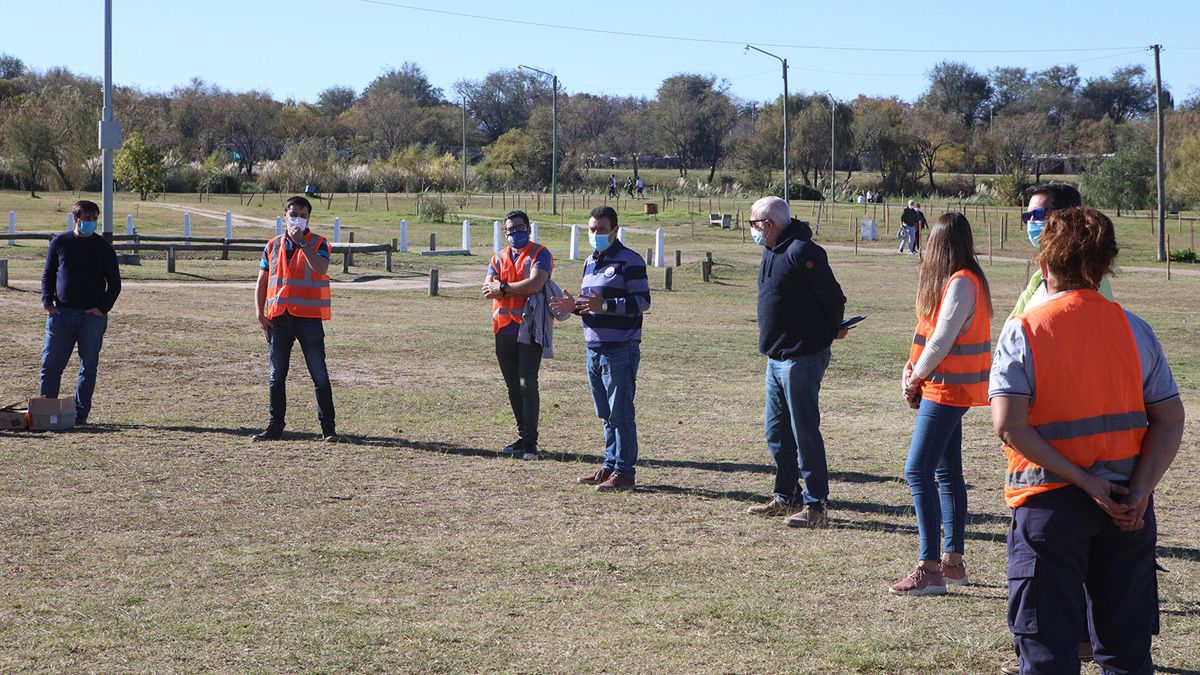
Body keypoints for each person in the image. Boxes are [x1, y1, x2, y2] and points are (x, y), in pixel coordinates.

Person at [991, 206, 1183, 674]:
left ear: (1043, 266)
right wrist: (1138, 491)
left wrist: (1082, 480)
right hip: (1126, 507)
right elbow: (1170, 419)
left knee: (1047, 654)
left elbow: (1010, 425)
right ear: (1104, 267)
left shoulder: (1025, 331)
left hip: (1048, 507)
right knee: (1126, 652)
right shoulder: (1134, 329)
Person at [889, 213, 993, 596]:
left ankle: (929, 568)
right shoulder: (959, 282)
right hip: (943, 385)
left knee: (917, 471)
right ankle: (952, 564)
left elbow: (942, 340)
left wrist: (915, 377)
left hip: (946, 389)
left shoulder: (962, 282)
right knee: (947, 474)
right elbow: (928, 336)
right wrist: (910, 370)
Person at [744, 196, 847, 528]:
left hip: (802, 358)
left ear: (769, 224)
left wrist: (829, 331)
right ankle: (785, 496)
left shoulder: (803, 252)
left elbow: (834, 298)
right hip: (776, 358)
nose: (752, 231)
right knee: (776, 431)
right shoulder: (771, 250)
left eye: (753, 224)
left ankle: (815, 504)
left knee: (804, 432)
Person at [550, 206, 651, 491]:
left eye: (602, 230)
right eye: (592, 229)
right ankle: (610, 465)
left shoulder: (629, 261)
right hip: (593, 347)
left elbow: (641, 303)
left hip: (620, 348)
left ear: (615, 230)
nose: (596, 235)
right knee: (606, 413)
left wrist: (604, 305)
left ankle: (624, 473)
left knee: (621, 412)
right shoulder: (589, 262)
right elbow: (591, 306)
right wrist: (576, 308)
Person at [252, 196, 338, 442]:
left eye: (302, 214)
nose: (297, 218)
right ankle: (275, 427)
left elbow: (321, 269)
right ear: (285, 215)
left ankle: (328, 429)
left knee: (319, 374)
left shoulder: (319, 242)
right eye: (293, 213)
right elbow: (262, 281)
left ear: (308, 217)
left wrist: (302, 244)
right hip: (279, 318)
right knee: (276, 376)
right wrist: (260, 312)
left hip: (309, 319)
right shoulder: (272, 245)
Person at [39, 199, 122, 426]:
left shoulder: (103, 247)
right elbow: (48, 275)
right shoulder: (60, 243)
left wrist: (102, 308)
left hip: (91, 318)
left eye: (94, 219)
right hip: (61, 315)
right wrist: (48, 303)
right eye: (87, 219)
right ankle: (46, 412)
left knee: (89, 367)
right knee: (51, 365)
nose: (91, 223)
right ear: (76, 218)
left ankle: (80, 414)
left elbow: (114, 283)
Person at [483, 210, 554, 460]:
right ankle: (522, 437)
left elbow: (535, 284)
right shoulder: (498, 257)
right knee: (513, 387)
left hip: (530, 328)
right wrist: (505, 289)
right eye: (510, 230)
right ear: (505, 233)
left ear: (529, 229)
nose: (515, 233)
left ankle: (531, 443)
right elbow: (487, 289)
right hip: (503, 329)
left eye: (520, 228)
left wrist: (503, 287)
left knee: (527, 383)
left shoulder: (540, 254)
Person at [1011, 182, 1112, 317]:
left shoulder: (1087, 275)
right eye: (1027, 216)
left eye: (1039, 213)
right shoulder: (1038, 278)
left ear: (1069, 216)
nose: (1032, 221)